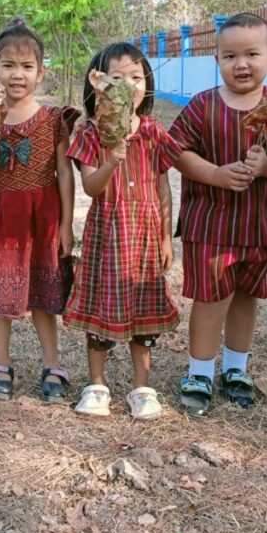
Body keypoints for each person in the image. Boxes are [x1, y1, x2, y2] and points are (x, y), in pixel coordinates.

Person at [169, 13, 267, 417]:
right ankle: (199, 372)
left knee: (247, 297)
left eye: (251, 54)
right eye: (230, 56)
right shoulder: (203, 105)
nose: (241, 64)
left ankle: (236, 369)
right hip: (210, 225)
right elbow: (177, 151)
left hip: (257, 225)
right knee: (210, 299)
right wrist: (215, 174)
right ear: (216, 59)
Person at [0, 18, 79, 403]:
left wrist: (66, 225)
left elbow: (65, 172)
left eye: (27, 66)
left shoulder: (54, 119)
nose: (17, 74)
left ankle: (52, 364)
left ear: (40, 73)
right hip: (0, 218)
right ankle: (1, 363)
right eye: (8, 65)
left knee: (44, 294)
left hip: (43, 218)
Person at [65, 42, 181, 420]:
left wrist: (166, 237)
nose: (128, 85)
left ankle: (142, 388)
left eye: (136, 77)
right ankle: (97, 385)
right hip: (108, 232)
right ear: (98, 84)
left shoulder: (152, 131)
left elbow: (163, 187)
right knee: (101, 306)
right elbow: (90, 187)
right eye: (117, 77)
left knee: (144, 307)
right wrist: (112, 161)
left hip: (145, 233)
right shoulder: (91, 132)